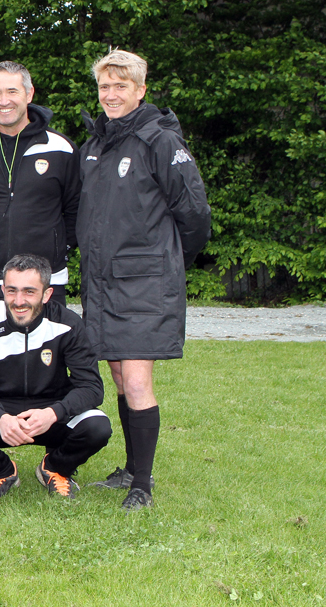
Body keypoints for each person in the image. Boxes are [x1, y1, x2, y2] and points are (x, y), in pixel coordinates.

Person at [78, 49, 211, 511]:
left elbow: (194, 215)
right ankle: (131, 471)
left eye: (121, 86)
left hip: (144, 284)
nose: (111, 95)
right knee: (117, 374)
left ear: (141, 90)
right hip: (103, 284)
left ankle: (143, 486)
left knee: (136, 380)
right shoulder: (95, 145)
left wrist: (167, 263)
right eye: (104, 87)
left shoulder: (159, 141)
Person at [0, 255, 111, 502]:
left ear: (46, 294)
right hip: (2, 412)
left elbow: (91, 388)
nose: (18, 301)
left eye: (29, 292)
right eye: (12, 291)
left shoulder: (68, 323)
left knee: (97, 426)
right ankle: (2, 471)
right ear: (2, 289)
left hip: (51, 412)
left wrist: (54, 413)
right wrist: (0, 417)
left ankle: (55, 468)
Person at [0, 61, 80, 324]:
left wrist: (57, 245)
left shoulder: (61, 148)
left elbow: (76, 207)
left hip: (47, 280)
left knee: (47, 362)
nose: (3, 101)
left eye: (12, 91)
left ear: (29, 95)